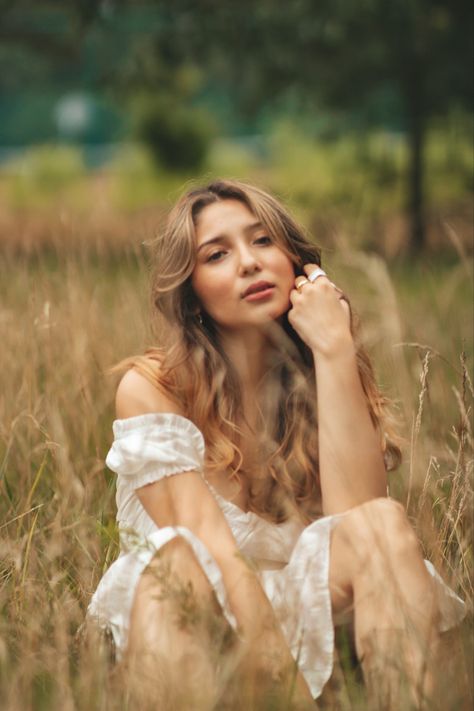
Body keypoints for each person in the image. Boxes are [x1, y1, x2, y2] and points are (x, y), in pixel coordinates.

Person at [87, 179, 465, 709]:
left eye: (263, 241)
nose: (248, 263)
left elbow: (358, 522)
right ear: (190, 291)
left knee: (382, 524)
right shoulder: (152, 388)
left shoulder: (321, 374)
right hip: (196, 623)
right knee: (175, 560)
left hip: (310, 611)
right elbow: (214, 557)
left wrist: (333, 349)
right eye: (217, 254)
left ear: (298, 262)